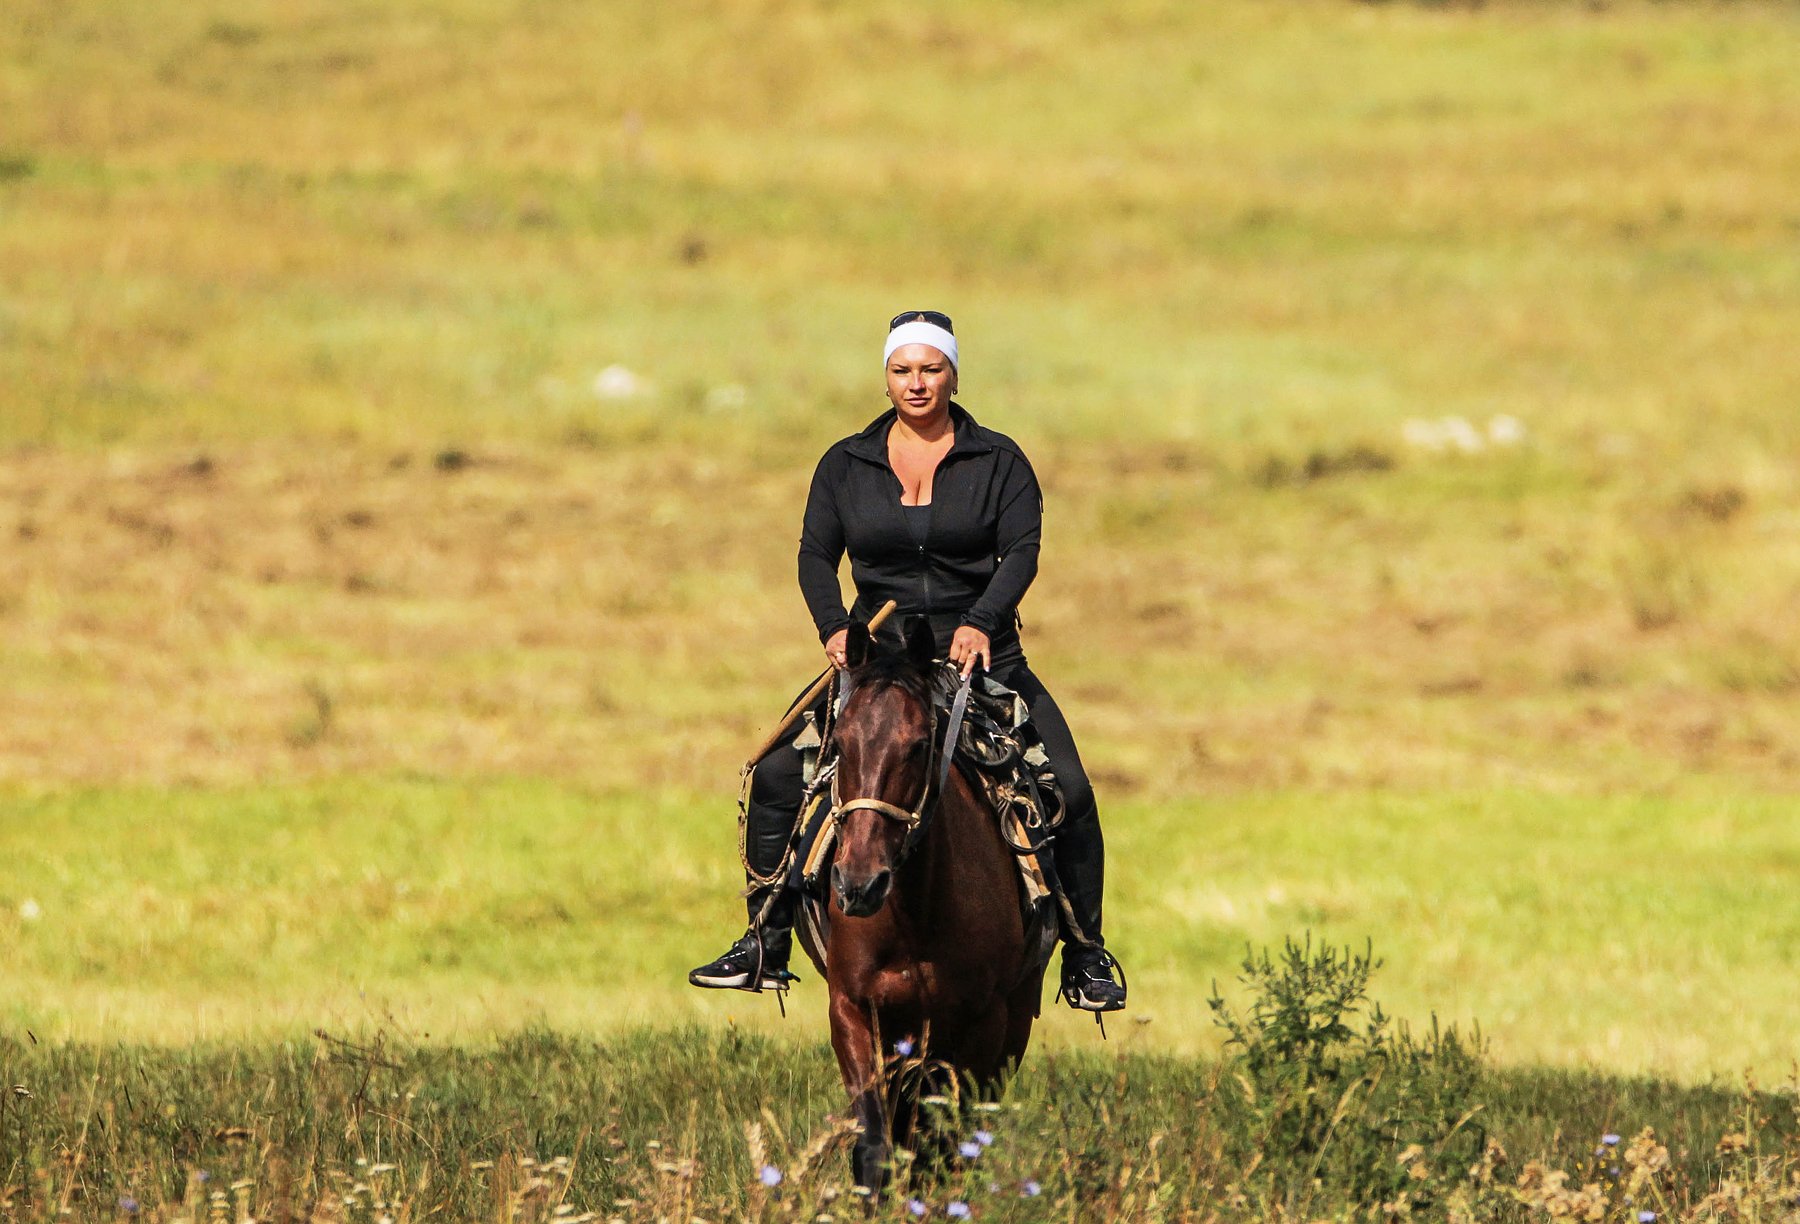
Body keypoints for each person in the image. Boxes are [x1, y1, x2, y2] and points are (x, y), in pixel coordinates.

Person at [687, 310, 1126, 1012]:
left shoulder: (999, 462)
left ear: (953, 374)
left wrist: (982, 622)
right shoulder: (846, 463)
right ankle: (764, 937)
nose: (916, 384)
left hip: (979, 658)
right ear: (885, 376)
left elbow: (1022, 553)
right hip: (878, 664)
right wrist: (834, 626)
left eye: (931, 369)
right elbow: (813, 555)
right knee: (773, 774)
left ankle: (1086, 952)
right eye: (902, 370)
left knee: (1068, 788)